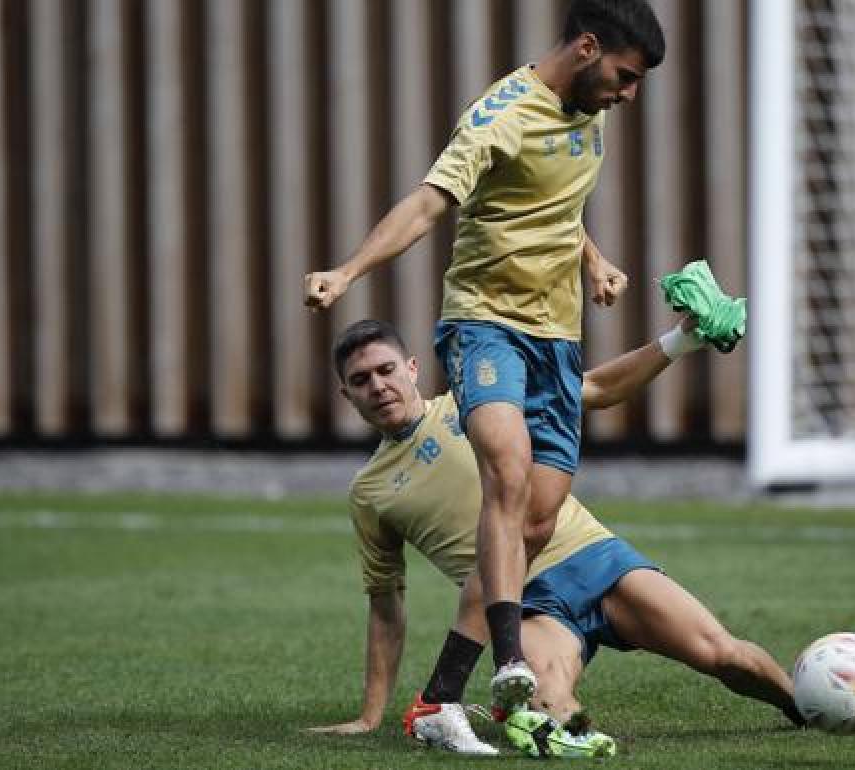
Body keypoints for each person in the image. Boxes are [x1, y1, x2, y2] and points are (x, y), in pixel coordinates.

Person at [304, 0, 665, 715]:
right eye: (625, 77)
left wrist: (592, 259)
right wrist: (348, 272)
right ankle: (510, 665)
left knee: (536, 517)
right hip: (484, 323)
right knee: (506, 463)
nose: (629, 95)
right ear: (588, 48)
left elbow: (550, 204)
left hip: (555, 336)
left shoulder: (590, 112)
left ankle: (440, 695)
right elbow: (429, 203)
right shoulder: (496, 116)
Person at [303, 318, 805, 756]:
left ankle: (811, 706)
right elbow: (385, 606)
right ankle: (580, 735)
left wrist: (679, 339)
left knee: (722, 654)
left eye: (386, 370)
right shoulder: (369, 492)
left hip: (594, 559)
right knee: (550, 709)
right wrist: (370, 716)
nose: (378, 385)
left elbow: (599, 389)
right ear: (347, 396)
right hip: (527, 605)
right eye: (361, 380)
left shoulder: (477, 400)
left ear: (412, 368)